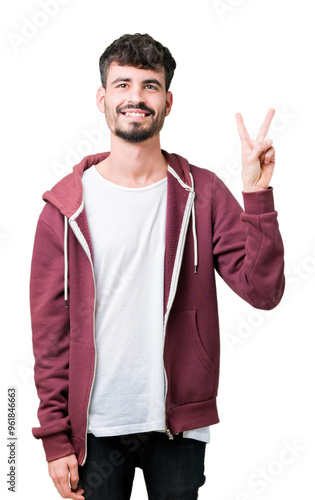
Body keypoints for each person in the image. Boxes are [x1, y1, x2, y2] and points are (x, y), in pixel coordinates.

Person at [30, 33, 285, 500]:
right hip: (95, 429)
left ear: (167, 101)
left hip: (178, 426)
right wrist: (53, 437)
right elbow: (49, 334)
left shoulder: (203, 194)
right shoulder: (64, 209)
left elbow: (262, 291)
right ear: (102, 98)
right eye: (122, 83)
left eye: (149, 86)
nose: (135, 97)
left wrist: (257, 196)